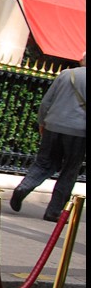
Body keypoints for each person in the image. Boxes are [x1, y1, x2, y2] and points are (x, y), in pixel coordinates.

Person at [10, 51, 86, 221]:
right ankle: (53, 211)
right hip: (79, 131)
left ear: (82, 60)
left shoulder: (66, 74)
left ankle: (24, 187)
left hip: (53, 125)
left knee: (44, 162)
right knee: (69, 171)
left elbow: (46, 102)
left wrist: (42, 122)